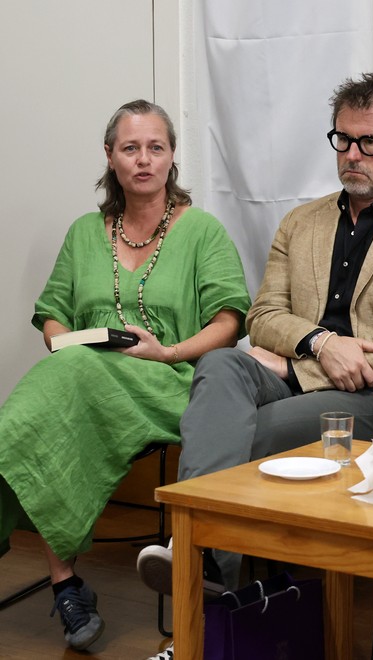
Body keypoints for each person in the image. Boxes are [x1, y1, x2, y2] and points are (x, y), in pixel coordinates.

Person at [136, 73, 373, 601]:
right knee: (221, 365)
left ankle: (200, 560)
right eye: (343, 139)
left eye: (370, 142)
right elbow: (263, 316)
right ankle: (208, 565)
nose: (352, 155)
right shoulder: (301, 222)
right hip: (305, 374)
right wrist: (320, 343)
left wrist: (294, 365)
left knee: (244, 435)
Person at [0, 99, 250, 651]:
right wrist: (64, 342)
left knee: (54, 395)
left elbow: (230, 322)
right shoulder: (84, 232)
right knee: (55, 400)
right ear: (110, 156)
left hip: (172, 382)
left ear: (172, 157)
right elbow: (52, 312)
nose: (143, 159)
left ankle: (64, 581)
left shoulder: (202, 231)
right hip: (86, 378)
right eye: (131, 148)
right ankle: (65, 582)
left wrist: (168, 352)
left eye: (155, 147)